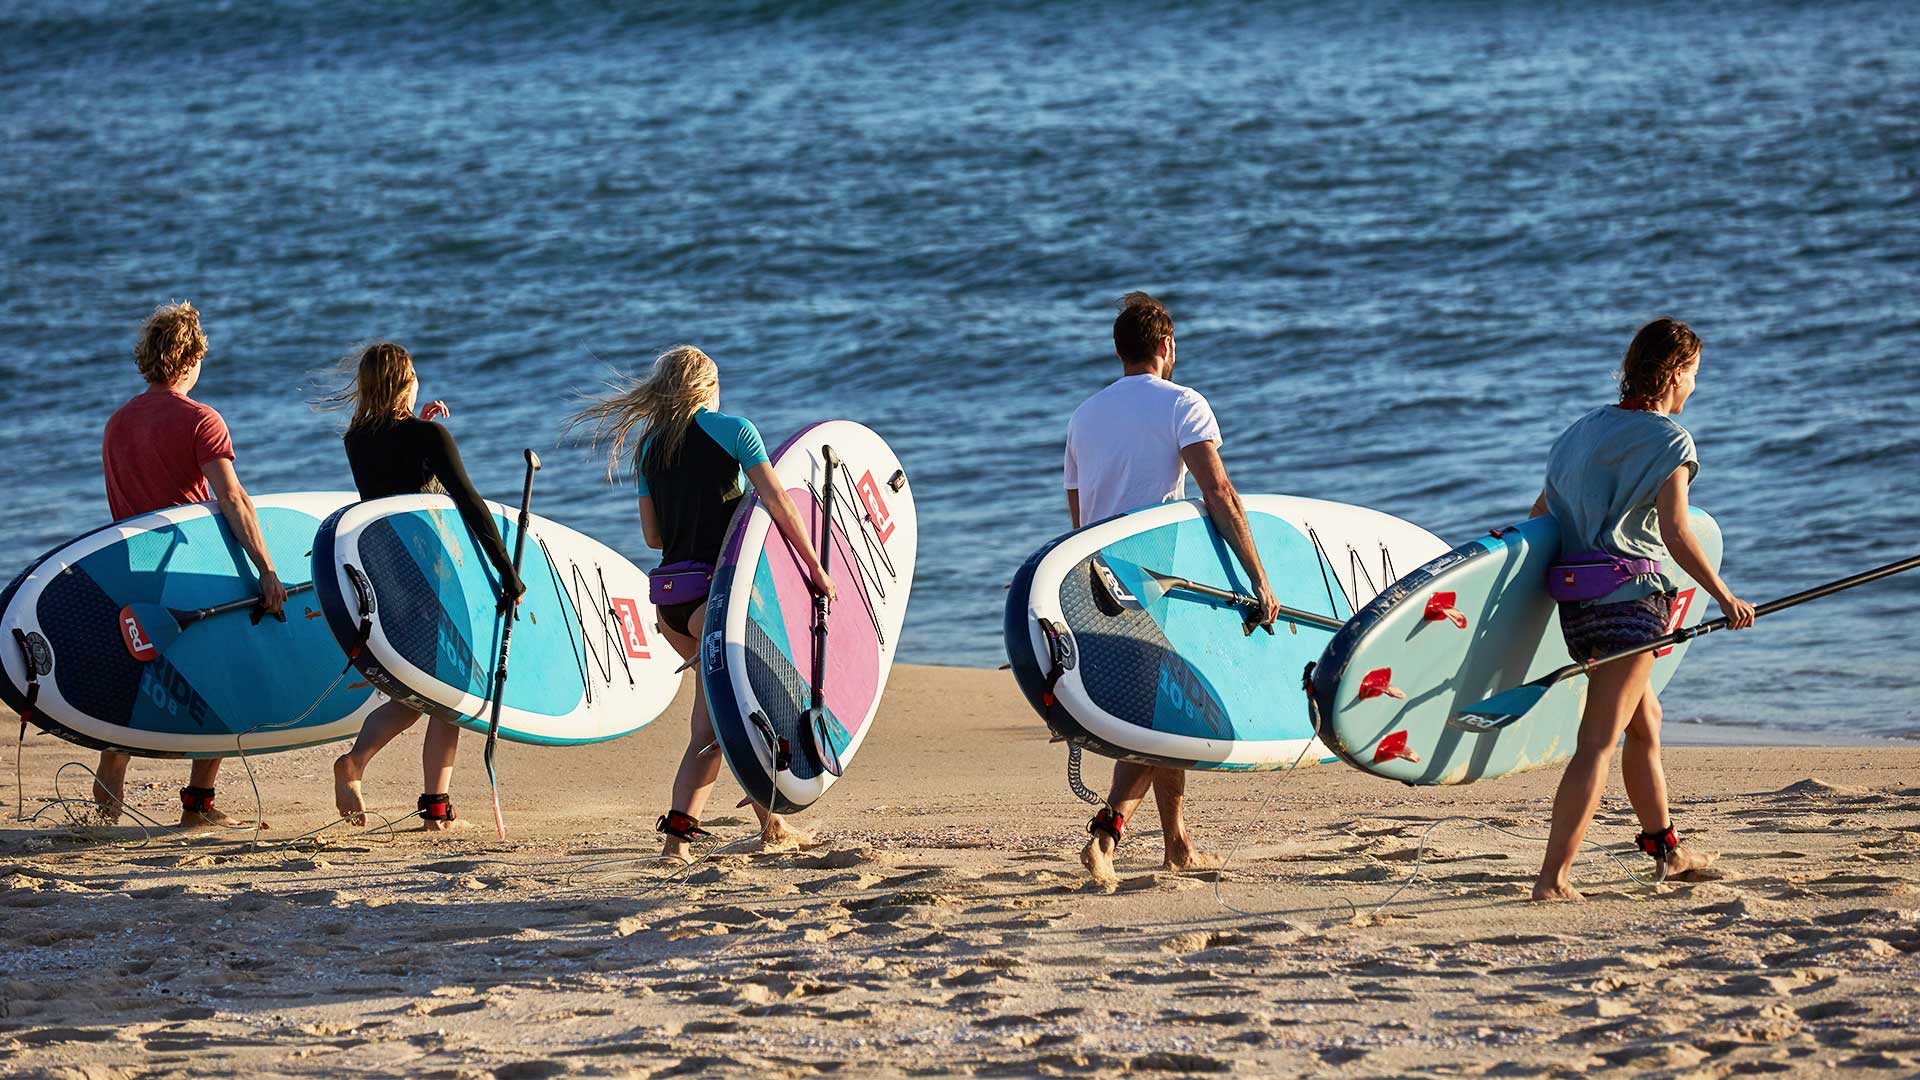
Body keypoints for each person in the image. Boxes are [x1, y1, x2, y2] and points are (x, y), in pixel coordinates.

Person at [569, 345, 834, 864]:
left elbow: (651, 536)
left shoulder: (651, 447)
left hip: (671, 600)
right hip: (716, 598)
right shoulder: (735, 430)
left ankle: (771, 823)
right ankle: (676, 842)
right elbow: (779, 503)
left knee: (725, 710)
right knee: (714, 729)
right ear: (707, 387)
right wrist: (815, 567)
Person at [1528, 317, 1755, 901]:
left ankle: (1669, 851)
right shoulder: (1670, 441)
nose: (1695, 388)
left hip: (1579, 609)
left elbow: (1541, 518)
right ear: (1674, 373)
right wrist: (1724, 595)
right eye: (1695, 376)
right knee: (1598, 742)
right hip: (1632, 605)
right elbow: (1677, 531)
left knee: (1644, 723)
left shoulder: (1578, 432)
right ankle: (1553, 879)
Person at [1066, 292, 1281, 888]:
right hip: (1158, 579)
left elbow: (1078, 515)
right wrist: (1259, 577)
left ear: (1119, 350)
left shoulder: (1083, 417)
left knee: (1159, 711)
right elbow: (1220, 493)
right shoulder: (1183, 404)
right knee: (1168, 716)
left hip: (1097, 579)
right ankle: (1107, 833)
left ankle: (1176, 843)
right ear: (1166, 347)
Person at [96, 301, 287, 828]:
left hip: (131, 574)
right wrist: (267, 569)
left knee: (132, 689)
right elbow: (232, 499)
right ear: (191, 358)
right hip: (188, 573)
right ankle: (198, 805)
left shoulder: (116, 424)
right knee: (223, 681)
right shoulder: (201, 420)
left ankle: (103, 815)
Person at [322, 342, 525, 830]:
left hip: (386, 572)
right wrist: (507, 572)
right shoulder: (428, 435)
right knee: (448, 692)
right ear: (404, 380)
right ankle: (432, 806)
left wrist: (421, 428)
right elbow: (469, 504)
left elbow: (396, 486)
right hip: (434, 575)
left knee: (417, 693)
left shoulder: (357, 440)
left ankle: (362, 767)